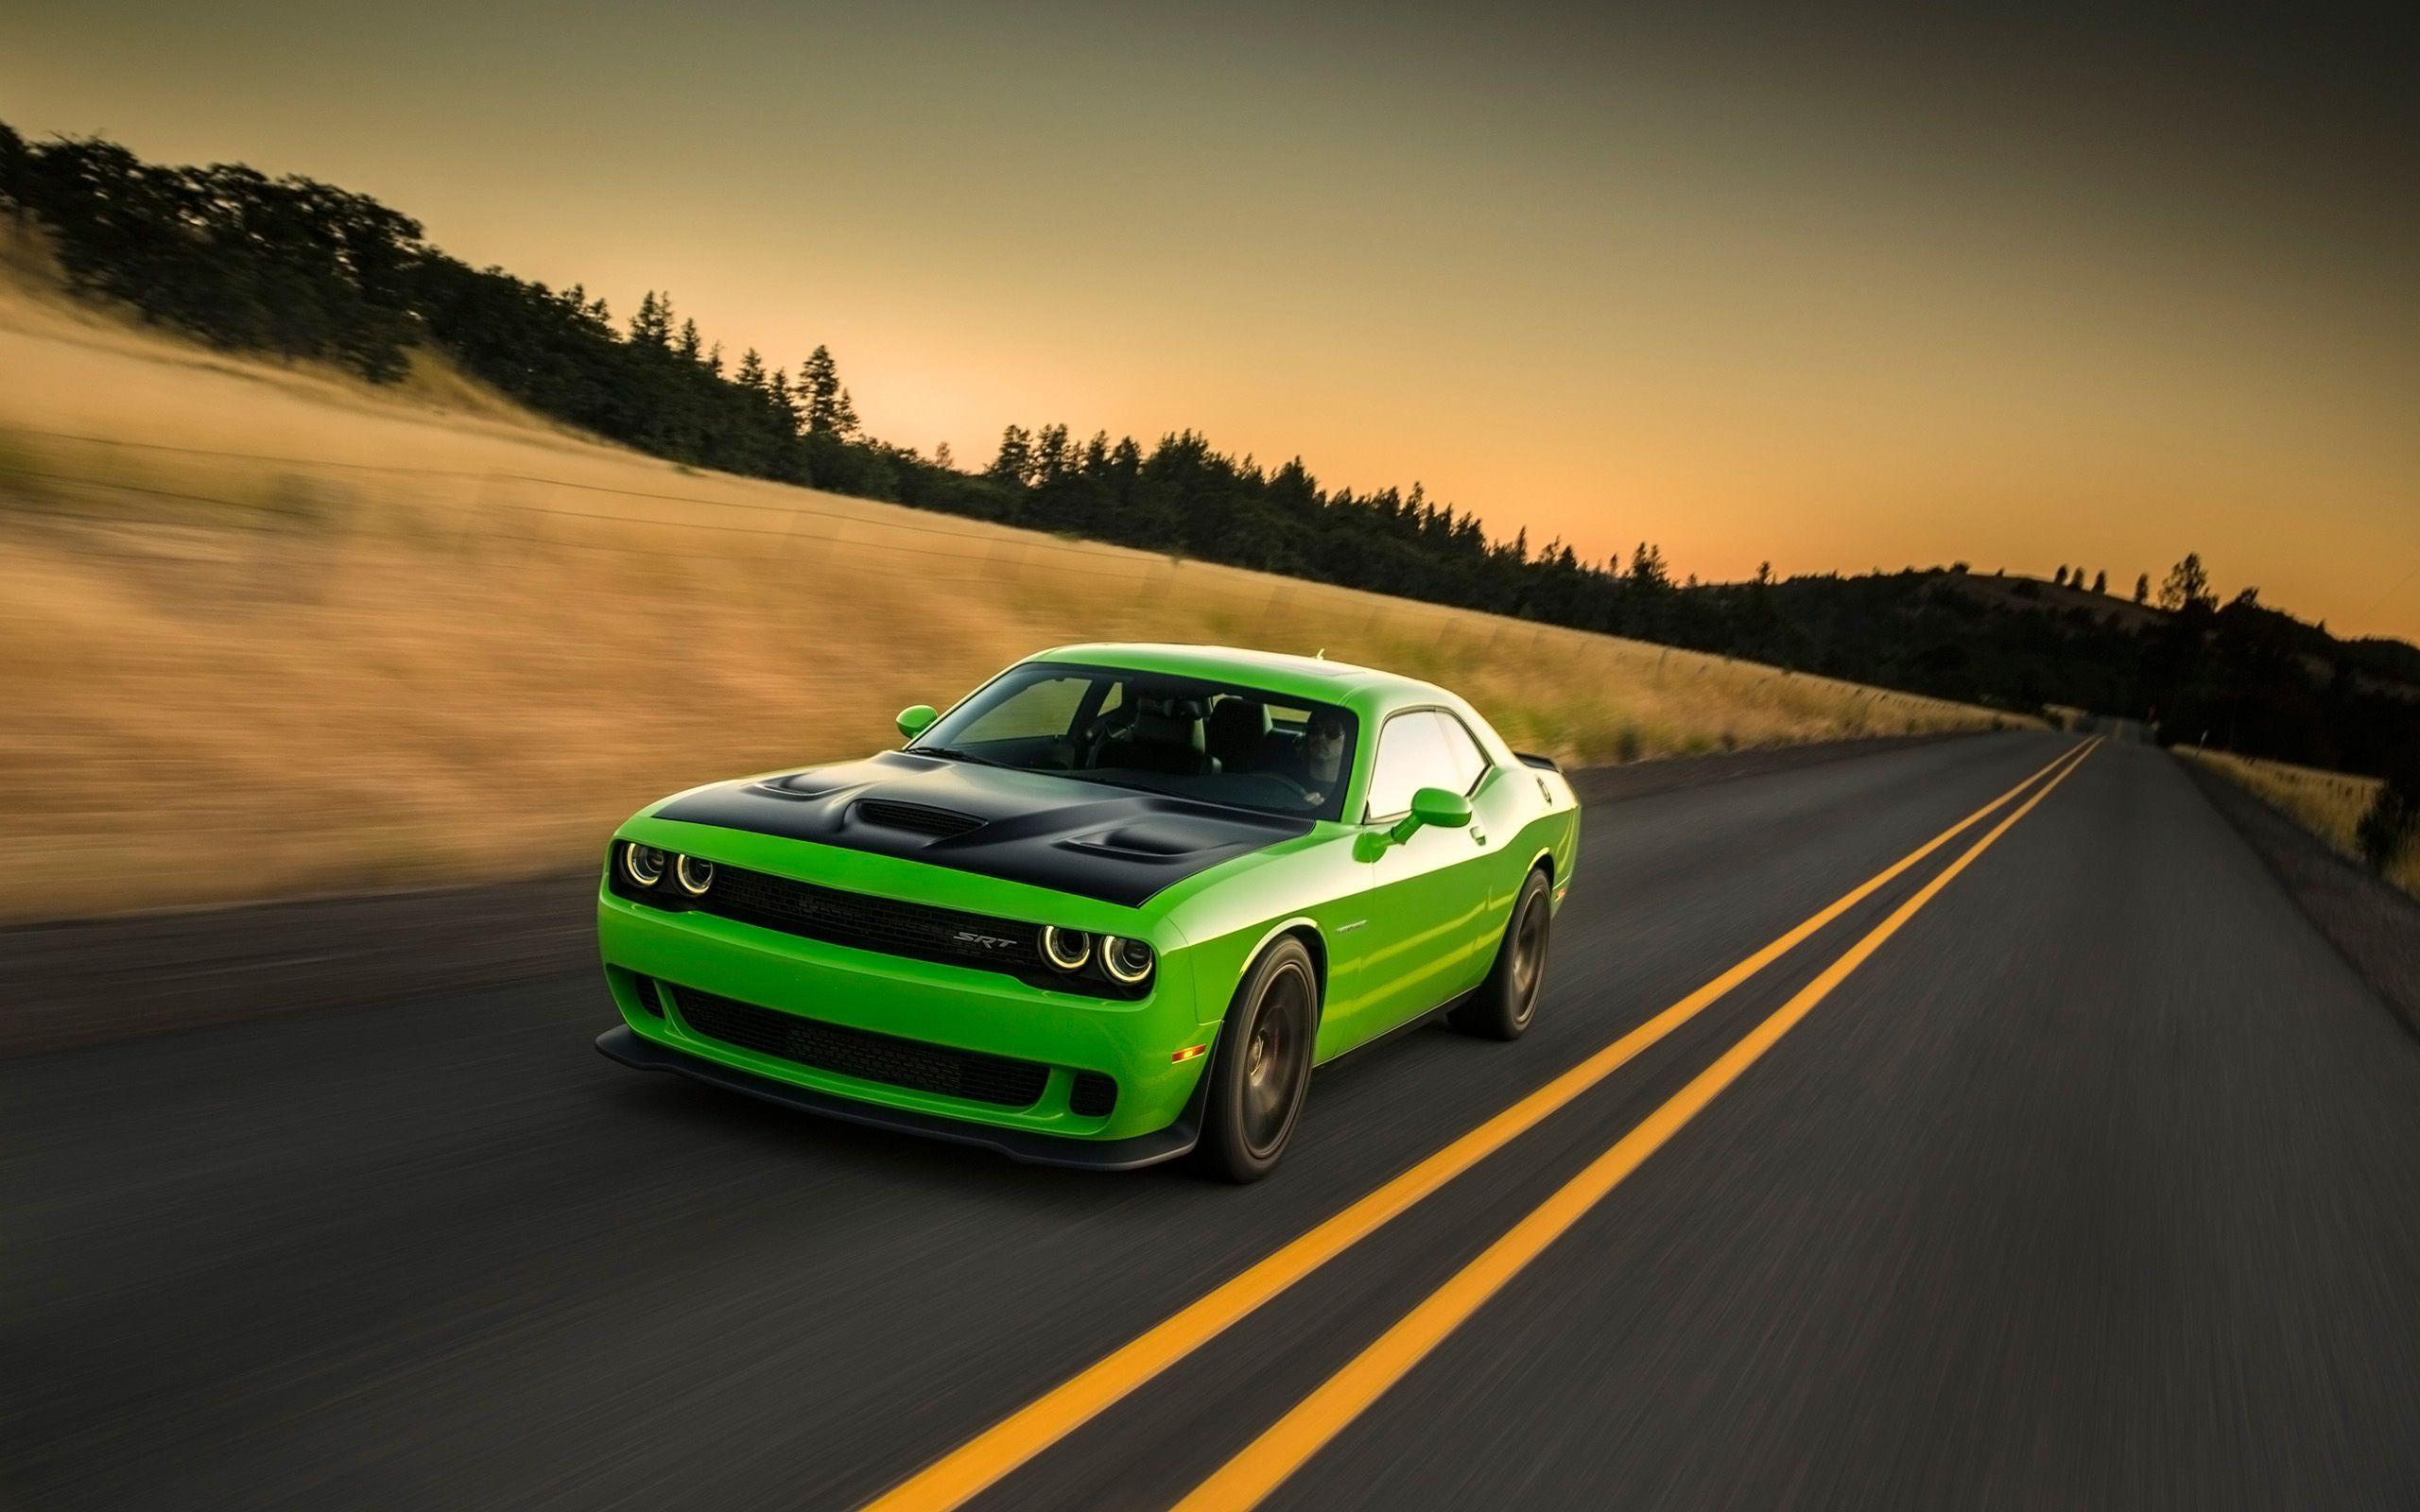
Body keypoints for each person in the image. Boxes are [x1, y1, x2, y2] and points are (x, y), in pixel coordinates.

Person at [1273, 710, 1350, 806]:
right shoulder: (1284, 779)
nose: (1321, 737)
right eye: (1314, 729)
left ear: (1349, 738)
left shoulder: (1354, 789)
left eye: (1332, 731)